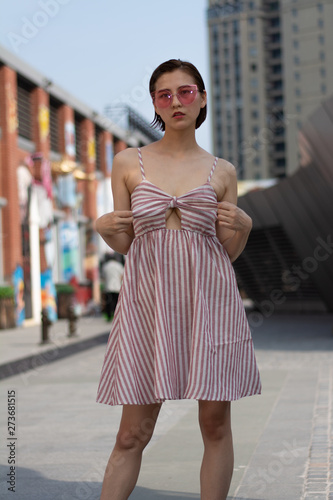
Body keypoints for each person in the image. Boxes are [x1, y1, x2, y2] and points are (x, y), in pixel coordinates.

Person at [95, 59, 261, 500]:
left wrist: (242, 225)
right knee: (133, 433)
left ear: (202, 98)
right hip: (149, 305)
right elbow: (128, 242)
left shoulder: (222, 171)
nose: (175, 102)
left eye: (185, 92)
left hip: (210, 303)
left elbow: (226, 252)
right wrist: (103, 228)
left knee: (215, 424)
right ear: (155, 104)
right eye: (164, 95)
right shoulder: (129, 161)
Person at [101, 253, 124, 321]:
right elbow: (121, 276)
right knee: (116, 301)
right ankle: (116, 315)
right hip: (117, 286)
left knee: (109, 302)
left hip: (108, 286)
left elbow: (103, 277)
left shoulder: (106, 266)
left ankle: (109, 316)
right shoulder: (119, 265)